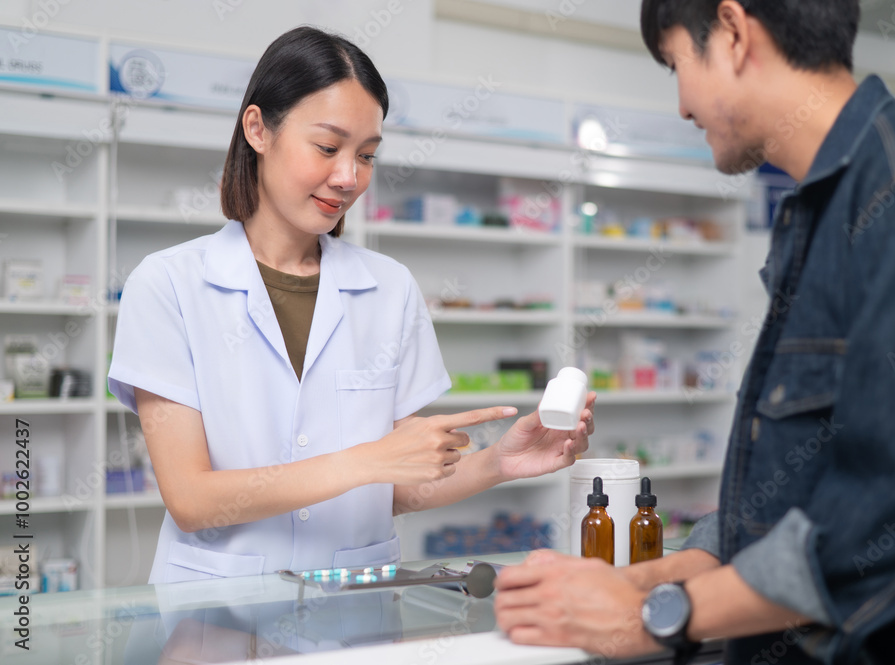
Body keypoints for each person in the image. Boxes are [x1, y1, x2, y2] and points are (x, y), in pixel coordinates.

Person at [494, 1, 895, 663]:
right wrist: (648, 575)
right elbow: (795, 479)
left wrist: (656, 614)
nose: (680, 105)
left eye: (677, 64)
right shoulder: (816, 211)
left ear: (733, 33)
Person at [108, 26, 594, 584]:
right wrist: (365, 460)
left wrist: (497, 463)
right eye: (327, 147)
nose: (348, 177)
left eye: (366, 155)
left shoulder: (390, 289)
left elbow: (399, 487)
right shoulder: (169, 284)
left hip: (354, 604)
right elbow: (190, 499)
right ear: (258, 129)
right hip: (218, 611)